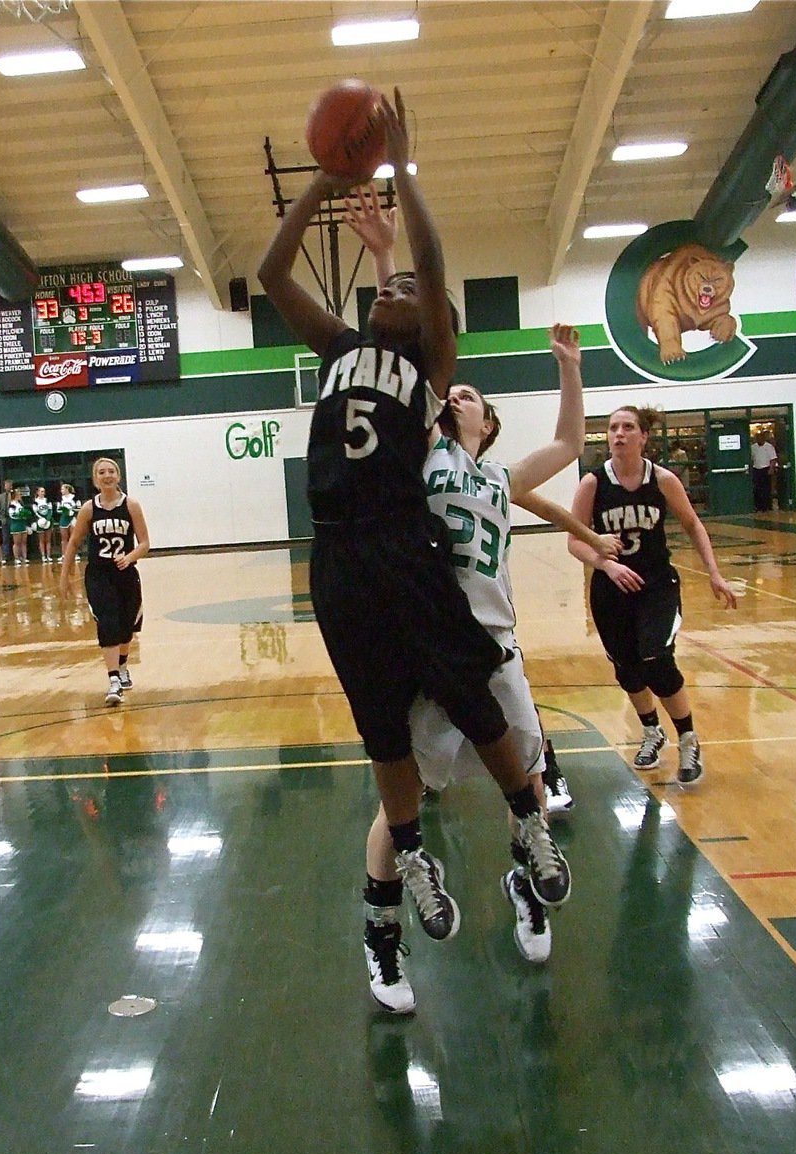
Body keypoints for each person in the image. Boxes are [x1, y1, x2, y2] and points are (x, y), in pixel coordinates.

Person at [258, 87, 570, 1016]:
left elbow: (429, 264)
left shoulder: (429, 362)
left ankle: (529, 825)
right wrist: (323, 183)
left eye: (406, 292)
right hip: (340, 559)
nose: (392, 290)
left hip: (404, 545)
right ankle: (416, 854)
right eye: (382, 287)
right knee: (382, 726)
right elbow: (274, 273)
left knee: (474, 698)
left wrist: (401, 168)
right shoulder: (339, 345)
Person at [345, 184, 619, 969]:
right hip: (427, 644)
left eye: (466, 395)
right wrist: (385, 258)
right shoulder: (417, 451)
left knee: (524, 780)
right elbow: (408, 345)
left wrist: (570, 365)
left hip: (495, 644)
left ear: (486, 422)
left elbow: (570, 444)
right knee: (406, 798)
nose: (454, 394)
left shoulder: (500, 478)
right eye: (451, 390)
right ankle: (383, 924)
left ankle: (528, 890)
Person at [567, 405, 738, 788]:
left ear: (644, 436)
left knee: (656, 659)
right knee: (627, 668)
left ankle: (688, 738)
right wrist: (605, 563)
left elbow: (693, 524)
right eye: (612, 427)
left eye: (628, 427)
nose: (619, 434)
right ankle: (651, 731)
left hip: (656, 585)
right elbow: (574, 540)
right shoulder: (593, 483)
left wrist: (714, 572)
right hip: (611, 587)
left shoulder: (662, 480)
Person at [59, 457, 150, 707]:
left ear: (118, 476)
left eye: (111, 471)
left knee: (126, 627)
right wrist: (64, 575)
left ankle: (122, 666)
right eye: (102, 472)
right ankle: (113, 682)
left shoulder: (131, 505)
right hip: (99, 575)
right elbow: (74, 543)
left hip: (125, 574)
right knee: (107, 623)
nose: (107, 475)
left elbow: (144, 543)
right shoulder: (89, 509)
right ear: (95, 479)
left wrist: (130, 557)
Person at [750, 429, 778, 512]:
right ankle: (758, 506)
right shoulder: (753, 447)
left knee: (766, 489)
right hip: (756, 469)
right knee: (757, 489)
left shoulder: (769, 447)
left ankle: (767, 507)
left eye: (760, 438)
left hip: (766, 469)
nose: (759, 440)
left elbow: (773, 459)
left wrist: (771, 469)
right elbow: (752, 459)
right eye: (757, 438)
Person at [57, 483, 80, 563]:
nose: (61, 491)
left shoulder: (75, 498)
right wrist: (65, 511)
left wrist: (72, 511)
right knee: (64, 538)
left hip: (72, 519)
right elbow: (58, 509)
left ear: (67, 489)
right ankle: (64, 555)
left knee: (73, 538)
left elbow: (79, 508)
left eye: (63, 489)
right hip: (64, 519)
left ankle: (75, 554)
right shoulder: (60, 499)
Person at [8, 488, 30, 566]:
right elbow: (11, 515)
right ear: (15, 495)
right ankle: (16, 558)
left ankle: (24, 557)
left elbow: (23, 512)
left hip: (22, 524)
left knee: (24, 542)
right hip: (16, 525)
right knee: (17, 543)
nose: (20, 495)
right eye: (19, 494)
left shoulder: (20, 503)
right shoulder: (12, 504)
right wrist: (20, 516)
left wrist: (25, 516)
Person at [32, 486, 54, 563]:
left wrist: (47, 519)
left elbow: (50, 510)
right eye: (41, 491)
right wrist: (42, 519)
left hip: (48, 521)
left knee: (48, 540)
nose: (42, 493)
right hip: (40, 521)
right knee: (41, 540)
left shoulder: (47, 500)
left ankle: (48, 556)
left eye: (43, 491)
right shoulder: (35, 501)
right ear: (37, 492)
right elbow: (35, 512)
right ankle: (43, 556)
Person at [0, 478, 13, 563]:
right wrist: (1, 517)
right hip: (4, 519)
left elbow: (20, 504)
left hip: (13, 518)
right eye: (6, 485)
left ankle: (16, 555)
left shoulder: (15, 495)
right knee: (5, 537)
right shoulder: (0, 497)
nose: (8, 487)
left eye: (9, 485)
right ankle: (6, 555)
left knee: (14, 536)